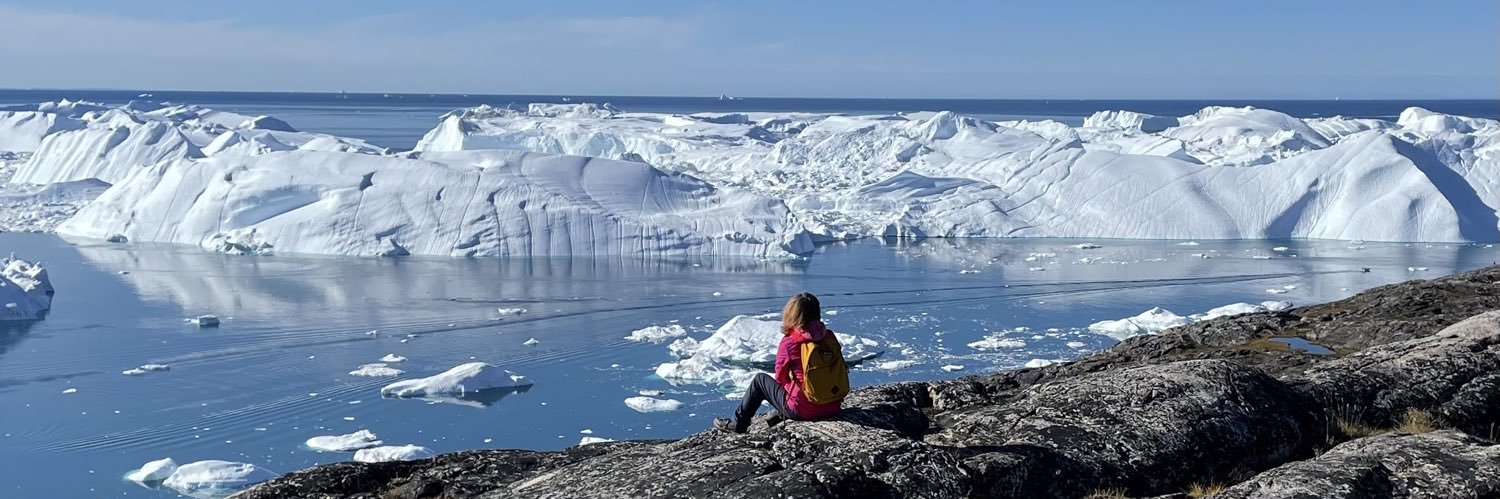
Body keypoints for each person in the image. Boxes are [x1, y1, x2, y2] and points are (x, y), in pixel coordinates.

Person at [714, 292, 842, 433]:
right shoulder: (829, 336)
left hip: (804, 411)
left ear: (792, 314)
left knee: (759, 381)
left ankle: (737, 424)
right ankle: (781, 413)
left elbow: (780, 377)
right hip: (833, 405)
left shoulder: (790, 342)